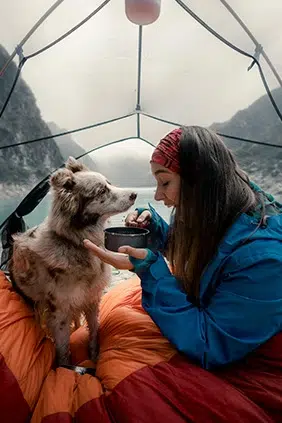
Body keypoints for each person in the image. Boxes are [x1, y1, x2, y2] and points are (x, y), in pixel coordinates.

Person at [83, 126, 282, 370]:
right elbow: (208, 256)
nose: (157, 196)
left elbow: (211, 345)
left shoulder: (263, 260)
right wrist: (157, 232)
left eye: (164, 182)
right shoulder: (212, 209)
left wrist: (149, 271)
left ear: (198, 179)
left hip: (249, 357)